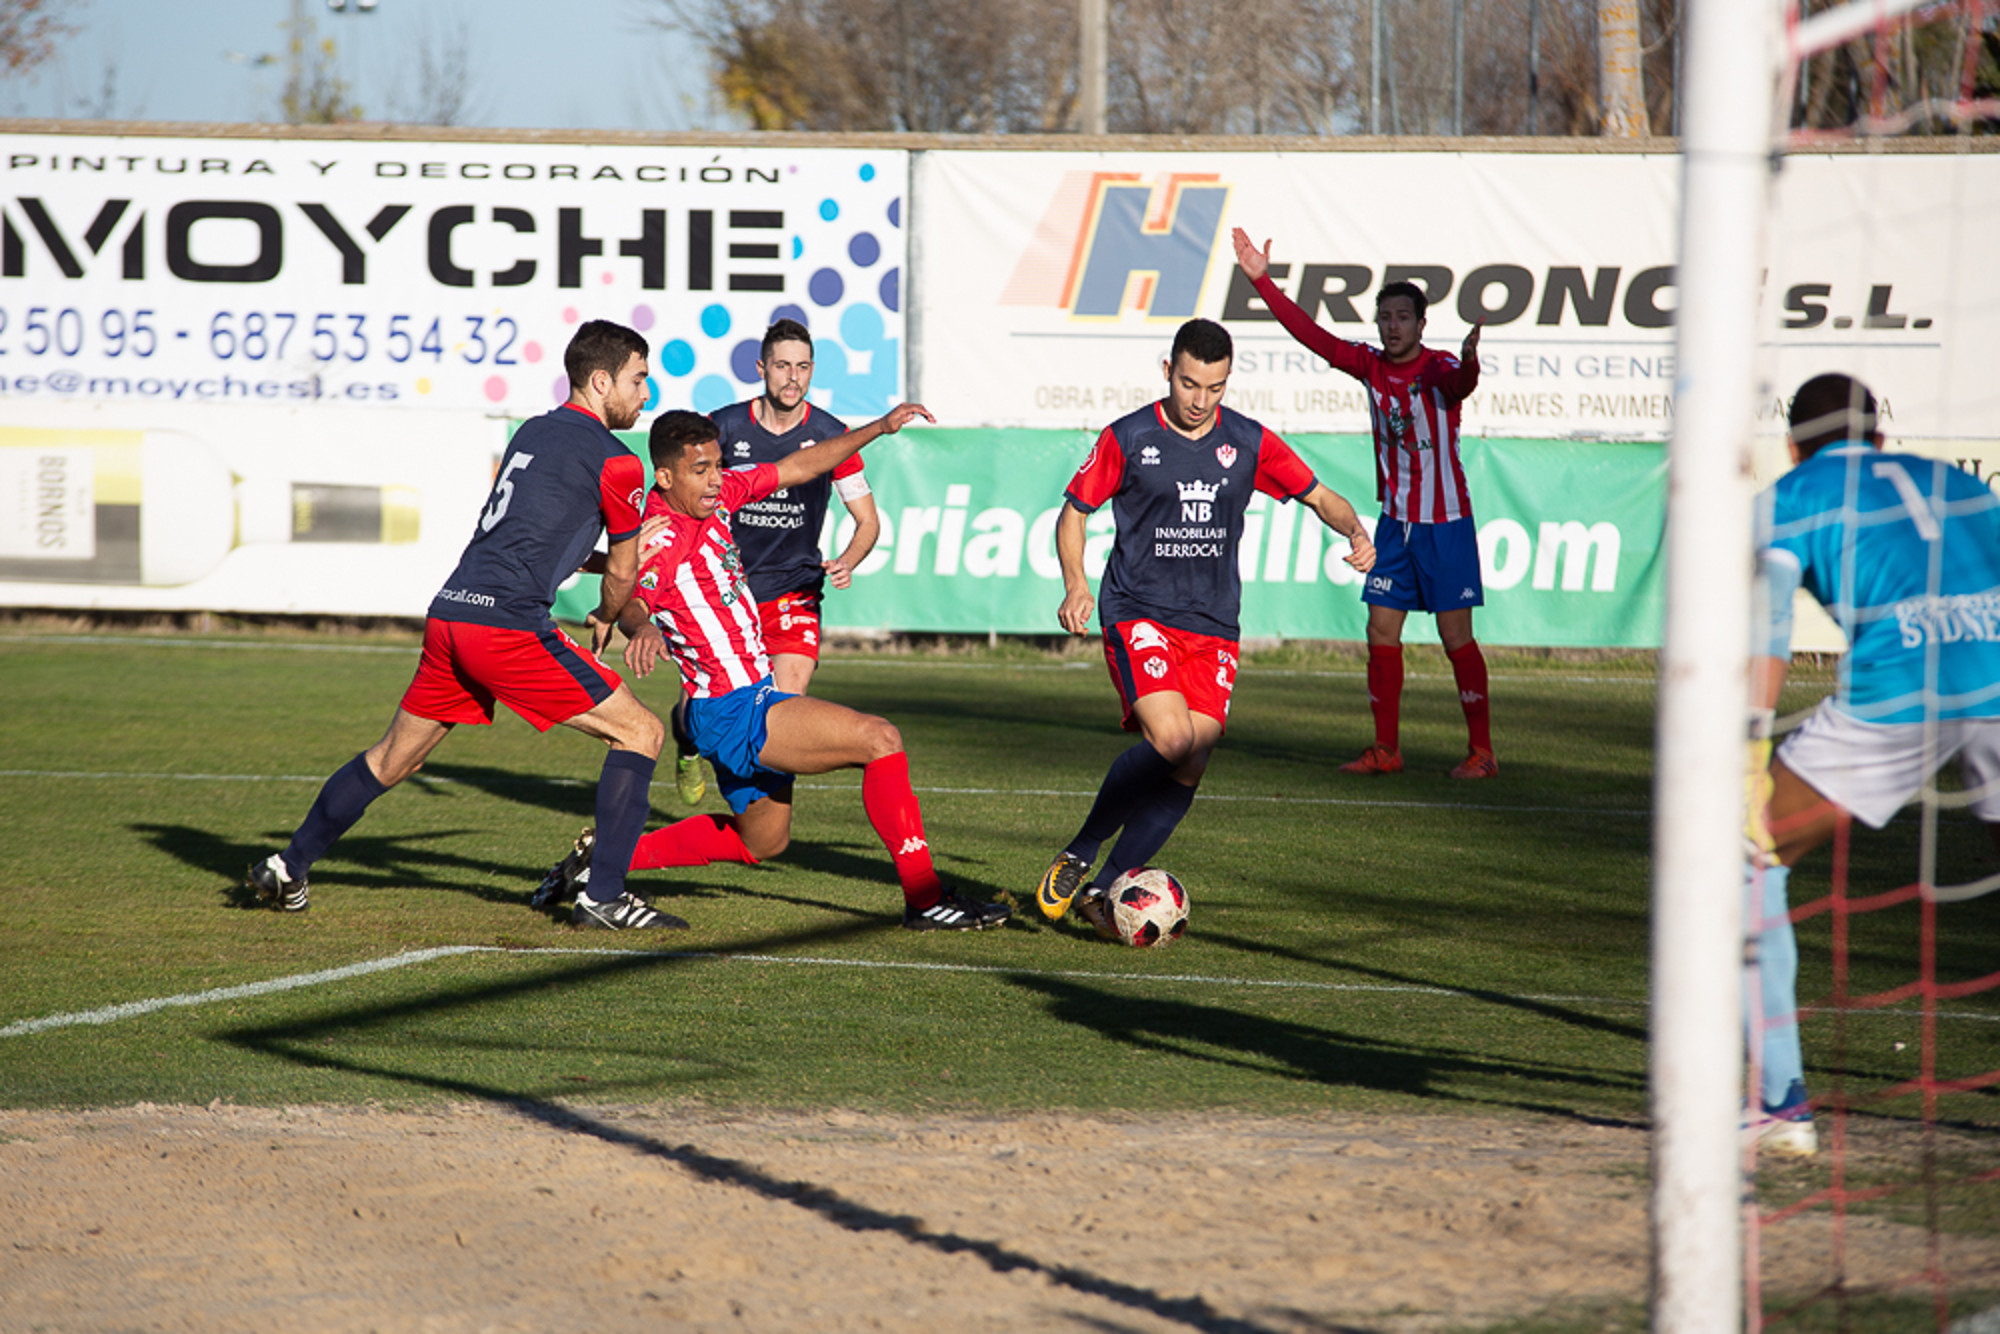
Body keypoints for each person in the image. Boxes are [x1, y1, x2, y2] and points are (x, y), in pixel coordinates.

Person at [247, 320, 679, 931]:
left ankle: (288, 867)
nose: (646, 393)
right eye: (638, 379)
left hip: (452, 614)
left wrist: (611, 567)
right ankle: (603, 897)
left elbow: (532, 537)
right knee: (640, 733)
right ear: (601, 380)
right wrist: (609, 611)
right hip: (506, 627)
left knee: (393, 759)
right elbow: (624, 574)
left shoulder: (534, 432)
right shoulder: (617, 461)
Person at [535, 408, 1012, 932]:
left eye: (718, 465)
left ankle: (600, 860)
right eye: (701, 470)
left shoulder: (717, 497)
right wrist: (641, 627)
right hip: (734, 709)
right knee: (880, 738)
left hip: (735, 704)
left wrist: (876, 429)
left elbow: (798, 467)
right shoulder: (661, 537)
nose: (716, 479)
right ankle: (926, 899)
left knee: (762, 841)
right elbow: (634, 596)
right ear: (665, 477)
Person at [1034, 318, 1377, 928]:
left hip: (1215, 623)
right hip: (1137, 610)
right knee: (1169, 740)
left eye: (1214, 388)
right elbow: (1075, 512)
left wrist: (1354, 530)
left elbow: (1320, 494)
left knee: (1191, 762)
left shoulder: (1247, 441)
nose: (1200, 401)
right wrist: (1077, 583)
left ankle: (1106, 889)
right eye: (1190, 384)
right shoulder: (1130, 436)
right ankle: (1082, 850)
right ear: (1168, 371)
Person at [1745, 372, 2000, 1156]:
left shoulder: (1785, 498)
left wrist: (1749, 748)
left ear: (1794, 447)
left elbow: (1769, 635)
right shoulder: (1963, 484)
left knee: (1745, 856)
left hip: (1903, 685)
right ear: (1879, 436)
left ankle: (1779, 1104)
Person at [1232, 227, 1495, 779]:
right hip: (1396, 528)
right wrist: (1262, 281)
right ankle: (1386, 749)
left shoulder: (1439, 368)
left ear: (1422, 324)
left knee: (1456, 639)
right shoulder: (1371, 366)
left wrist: (1472, 362)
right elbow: (1313, 337)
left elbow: (1461, 386)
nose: (1393, 326)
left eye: (1403, 317)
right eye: (1386, 317)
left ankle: (1482, 753)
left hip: (1446, 525)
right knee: (1380, 633)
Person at [656, 319, 884, 807]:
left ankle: (760, 813)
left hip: (794, 589)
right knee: (691, 715)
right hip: (721, 596)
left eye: (802, 367)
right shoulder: (723, 428)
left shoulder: (830, 434)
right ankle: (689, 746)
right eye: (782, 365)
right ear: (762, 368)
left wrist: (849, 558)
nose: (792, 377)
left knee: (787, 701)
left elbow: (867, 521)